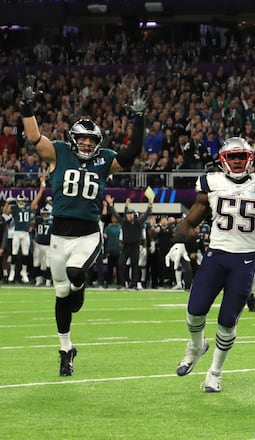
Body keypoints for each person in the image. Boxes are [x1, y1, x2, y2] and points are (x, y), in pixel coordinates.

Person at [20, 80, 145, 376]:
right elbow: (34, 136)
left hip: (89, 233)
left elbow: (130, 155)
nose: (87, 143)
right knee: (62, 295)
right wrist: (26, 107)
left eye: (92, 139)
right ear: (73, 138)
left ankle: (81, 286)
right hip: (59, 236)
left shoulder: (104, 160)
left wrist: (138, 119)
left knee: (76, 275)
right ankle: (66, 348)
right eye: (83, 138)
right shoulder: (59, 152)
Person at [166, 137, 255, 393]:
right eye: (232, 157)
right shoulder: (211, 183)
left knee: (227, 321)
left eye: (241, 157)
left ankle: (215, 373)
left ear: (250, 159)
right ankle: (196, 346)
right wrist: (178, 242)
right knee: (195, 309)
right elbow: (191, 221)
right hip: (217, 255)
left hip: (244, 260)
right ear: (223, 160)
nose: (236, 162)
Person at [4, 194, 32, 283]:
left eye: (22, 200)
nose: (21, 202)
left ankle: (23, 271)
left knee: (25, 254)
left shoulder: (28, 208)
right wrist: (7, 202)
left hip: (25, 233)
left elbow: (35, 203)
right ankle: (12, 271)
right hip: (17, 233)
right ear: (17, 201)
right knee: (14, 253)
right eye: (20, 200)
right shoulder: (15, 208)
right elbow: (5, 212)